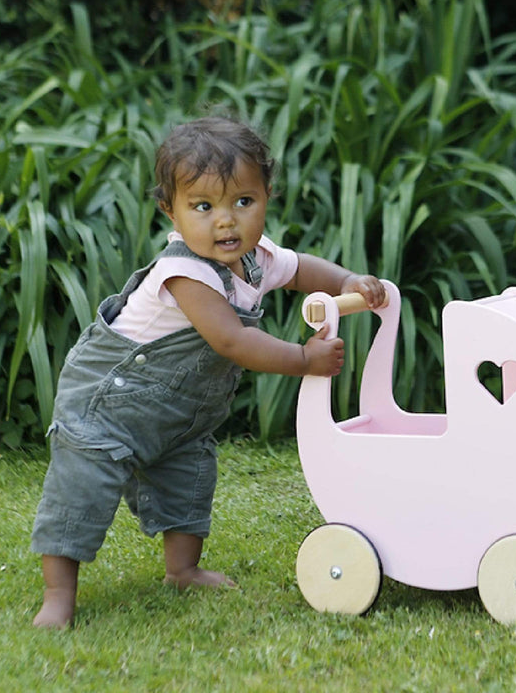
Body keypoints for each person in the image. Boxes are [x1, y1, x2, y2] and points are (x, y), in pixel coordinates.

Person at [30, 114, 386, 628]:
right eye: (203, 207)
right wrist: (304, 359)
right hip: (107, 404)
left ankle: (182, 570)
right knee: (81, 491)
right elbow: (231, 340)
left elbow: (300, 268)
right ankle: (58, 595)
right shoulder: (185, 273)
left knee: (188, 480)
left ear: (266, 196)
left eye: (243, 201)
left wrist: (346, 280)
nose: (226, 221)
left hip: (177, 415)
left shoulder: (256, 258)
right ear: (170, 211)